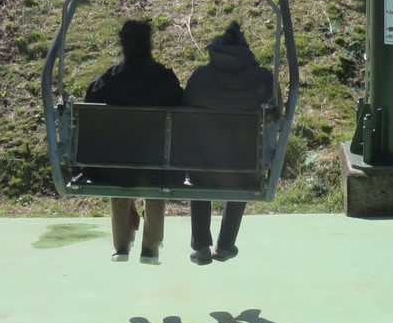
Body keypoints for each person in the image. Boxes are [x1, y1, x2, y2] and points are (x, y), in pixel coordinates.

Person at [84, 19, 185, 263]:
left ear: (123, 44)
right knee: (156, 177)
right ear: (149, 44)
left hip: (116, 169)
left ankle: (121, 244)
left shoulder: (109, 81)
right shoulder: (164, 79)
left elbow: (89, 101)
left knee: (120, 167)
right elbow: (183, 105)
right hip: (158, 166)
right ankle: (151, 247)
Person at [184, 21, 274, 264]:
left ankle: (201, 245)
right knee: (246, 162)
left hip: (203, 168)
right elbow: (276, 113)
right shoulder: (262, 80)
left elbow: (184, 106)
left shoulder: (200, 79)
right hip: (244, 169)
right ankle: (225, 244)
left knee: (200, 165)